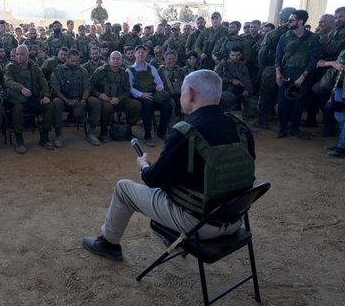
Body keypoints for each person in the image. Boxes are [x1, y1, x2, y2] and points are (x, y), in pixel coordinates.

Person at [82, 69, 256, 262]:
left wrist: (144, 166)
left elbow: (153, 180)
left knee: (123, 188)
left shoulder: (185, 131)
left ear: (190, 94)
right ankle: (168, 233)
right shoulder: (240, 127)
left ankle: (108, 243)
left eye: (182, 92)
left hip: (200, 225)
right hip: (234, 218)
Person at [275, 9, 320, 140]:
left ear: (300, 21)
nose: (288, 23)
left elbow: (314, 60)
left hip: (302, 74)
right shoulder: (285, 37)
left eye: (291, 20)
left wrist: (303, 76)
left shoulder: (313, 38)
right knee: (282, 102)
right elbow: (278, 56)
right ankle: (282, 128)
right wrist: (278, 73)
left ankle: (295, 129)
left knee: (298, 104)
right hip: (285, 72)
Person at [4, 45, 55, 153]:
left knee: (49, 106)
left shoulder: (34, 67)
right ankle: (19, 139)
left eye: (22, 54)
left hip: (33, 99)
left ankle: (44, 137)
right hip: (18, 99)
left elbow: (43, 82)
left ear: (27, 55)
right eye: (17, 54)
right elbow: (8, 81)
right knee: (17, 108)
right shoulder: (11, 67)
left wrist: (46, 95)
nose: (19, 57)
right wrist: (21, 88)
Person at [51, 49, 102, 147]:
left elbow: (87, 87)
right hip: (64, 99)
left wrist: (83, 99)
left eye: (77, 61)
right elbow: (56, 90)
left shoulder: (83, 71)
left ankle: (91, 133)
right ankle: (58, 134)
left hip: (80, 99)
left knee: (95, 102)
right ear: (67, 59)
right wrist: (67, 100)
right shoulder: (58, 71)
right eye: (72, 61)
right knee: (56, 103)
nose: (75, 63)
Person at [127, 45, 173, 146]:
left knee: (167, 105)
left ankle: (162, 131)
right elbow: (130, 88)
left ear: (146, 54)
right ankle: (147, 135)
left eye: (143, 52)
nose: (141, 54)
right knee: (148, 104)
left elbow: (159, 82)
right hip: (139, 97)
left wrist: (160, 87)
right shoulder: (130, 70)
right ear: (135, 54)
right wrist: (141, 94)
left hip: (151, 94)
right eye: (138, 52)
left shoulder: (152, 68)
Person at [90, 51, 141, 142]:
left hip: (118, 100)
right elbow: (90, 86)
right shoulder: (100, 71)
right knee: (107, 107)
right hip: (104, 99)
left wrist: (119, 98)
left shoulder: (124, 73)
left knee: (136, 105)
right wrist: (99, 95)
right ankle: (104, 130)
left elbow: (127, 90)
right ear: (109, 60)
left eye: (118, 59)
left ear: (121, 61)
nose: (115, 61)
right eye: (113, 58)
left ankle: (128, 129)